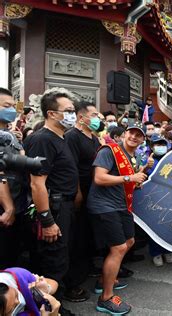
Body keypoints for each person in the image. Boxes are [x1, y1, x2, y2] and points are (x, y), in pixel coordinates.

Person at [23, 91, 79, 316]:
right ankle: (48, 310)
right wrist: (47, 220)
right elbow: (38, 184)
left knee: (60, 259)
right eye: (68, 111)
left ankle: (55, 305)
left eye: (73, 111)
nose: (72, 115)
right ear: (51, 114)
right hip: (51, 210)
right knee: (51, 262)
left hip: (64, 207)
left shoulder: (61, 138)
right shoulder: (43, 139)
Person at [87, 125, 150, 315]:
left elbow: (124, 181)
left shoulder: (131, 157)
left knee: (129, 241)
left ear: (142, 141)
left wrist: (135, 182)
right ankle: (105, 298)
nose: (134, 137)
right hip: (104, 206)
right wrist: (130, 177)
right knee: (119, 247)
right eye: (131, 133)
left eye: (138, 136)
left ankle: (104, 280)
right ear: (124, 134)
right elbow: (99, 178)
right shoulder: (109, 151)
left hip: (121, 205)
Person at [63, 101, 102, 303]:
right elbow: (73, 168)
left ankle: (87, 267)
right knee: (76, 236)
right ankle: (73, 281)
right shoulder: (72, 137)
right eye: (94, 115)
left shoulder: (94, 138)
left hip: (94, 191)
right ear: (81, 117)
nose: (98, 118)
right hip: (79, 191)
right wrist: (77, 192)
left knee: (87, 232)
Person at [0, 88, 27, 269]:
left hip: (18, 201)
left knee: (13, 253)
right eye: (6, 106)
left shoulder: (9, 135)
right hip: (4, 207)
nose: (11, 110)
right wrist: (8, 207)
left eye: (12, 106)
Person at [146, 134, 172, 267]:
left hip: (170, 198)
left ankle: (168, 250)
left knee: (169, 223)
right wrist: (146, 166)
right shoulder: (146, 160)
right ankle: (156, 252)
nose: (161, 147)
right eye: (158, 144)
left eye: (163, 144)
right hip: (153, 198)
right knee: (154, 226)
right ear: (152, 146)